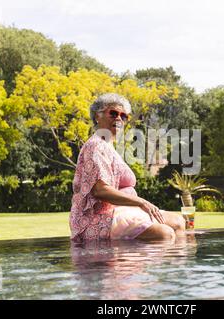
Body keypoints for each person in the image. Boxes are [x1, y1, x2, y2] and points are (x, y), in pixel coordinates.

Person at [69, 93, 186, 242]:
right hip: (95, 219)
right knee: (165, 234)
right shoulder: (95, 146)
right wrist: (141, 202)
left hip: (119, 212)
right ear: (97, 116)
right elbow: (100, 190)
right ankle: (134, 263)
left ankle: (179, 265)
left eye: (123, 116)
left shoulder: (108, 146)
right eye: (113, 113)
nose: (119, 118)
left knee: (179, 221)